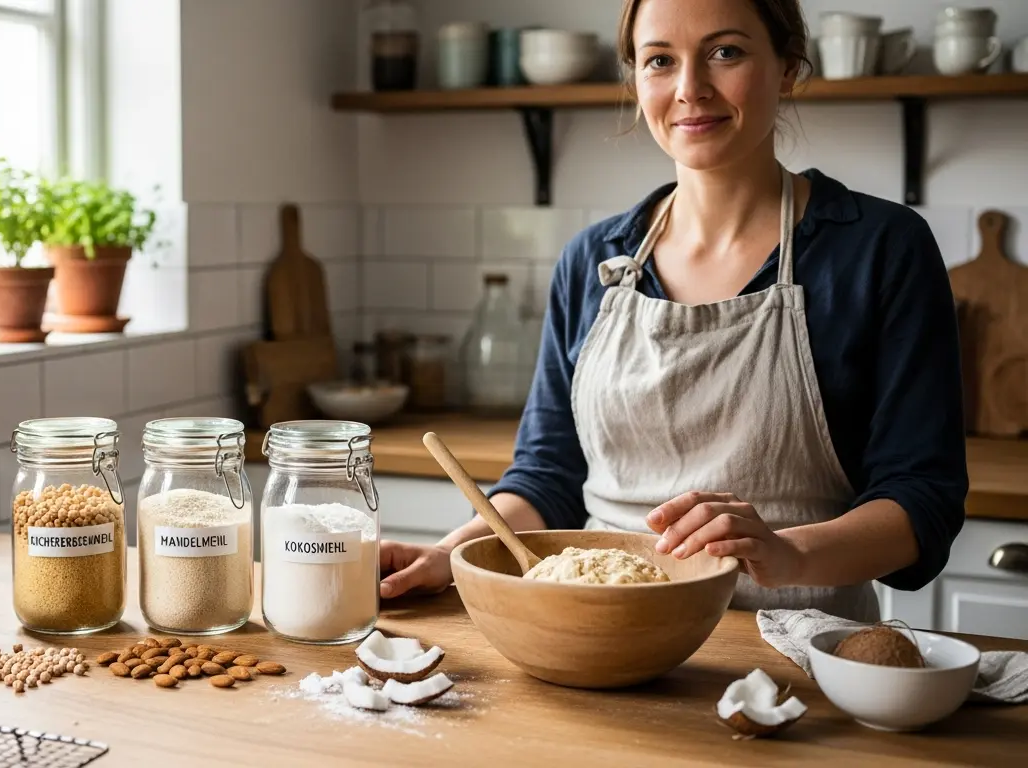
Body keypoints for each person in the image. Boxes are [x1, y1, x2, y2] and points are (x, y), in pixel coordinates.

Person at [377, 0, 969, 622]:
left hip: (801, 649)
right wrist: (447, 555)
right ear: (637, 83)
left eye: (726, 52)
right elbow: (548, 476)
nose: (690, 89)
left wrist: (786, 554)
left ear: (788, 66)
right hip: (604, 637)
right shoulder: (595, 260)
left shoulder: (880, 249)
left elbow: (922, 497)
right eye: (660, 60)